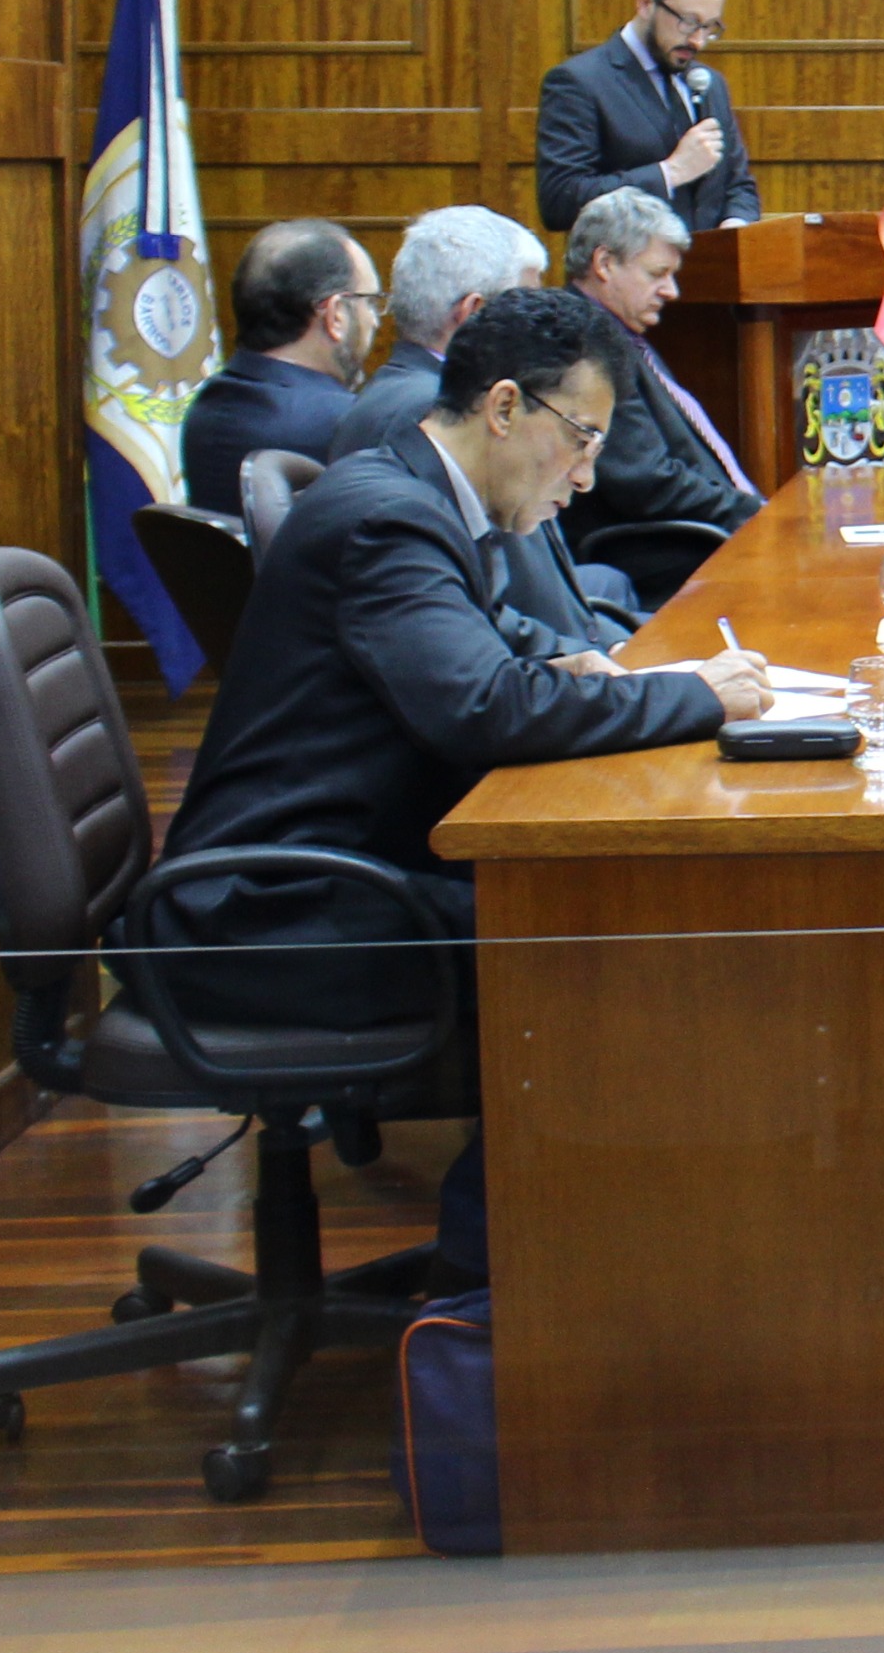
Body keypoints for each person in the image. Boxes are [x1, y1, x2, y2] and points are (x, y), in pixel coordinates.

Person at [155, 285, 770, 1026]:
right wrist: (697, 696)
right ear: (504, 407)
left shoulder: (416, 493)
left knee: (601, 910)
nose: (586, 476)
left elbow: (489, 640)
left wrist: (584, 667)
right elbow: (482, 708)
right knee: (599, 937)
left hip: (342, 869)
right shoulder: (389, 520)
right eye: (582, 439)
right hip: (268, 912)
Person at [331, 205, 639, 654]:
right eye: (528, 305)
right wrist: (608, 666)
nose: (547, 324)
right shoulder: (434, 416)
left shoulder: (409, 396)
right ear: (476, 315)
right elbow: (502, 616)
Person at [558, 189, 762, 603]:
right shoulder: (584, 341)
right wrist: (753, 514)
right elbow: (644, 479)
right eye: (657, 274)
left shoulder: (616, 333)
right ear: (604, 263)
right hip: (658, 552)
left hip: (695, 534)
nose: (672, 291)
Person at [534, 0, 758, 235]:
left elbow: (739, 185)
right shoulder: (579, 82)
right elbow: (559, 201)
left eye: (709, 27)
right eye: (688, 22)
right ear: (645, 3)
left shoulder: (710, 84)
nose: (698, 40)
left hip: (711, 261)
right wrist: (671, 172)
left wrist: (734, 226)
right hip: (625, 262)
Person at [180, 218, 377, 513]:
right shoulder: (349, 425)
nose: (374, 320)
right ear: (335, 315)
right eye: (369, 303)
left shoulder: (204, 408)